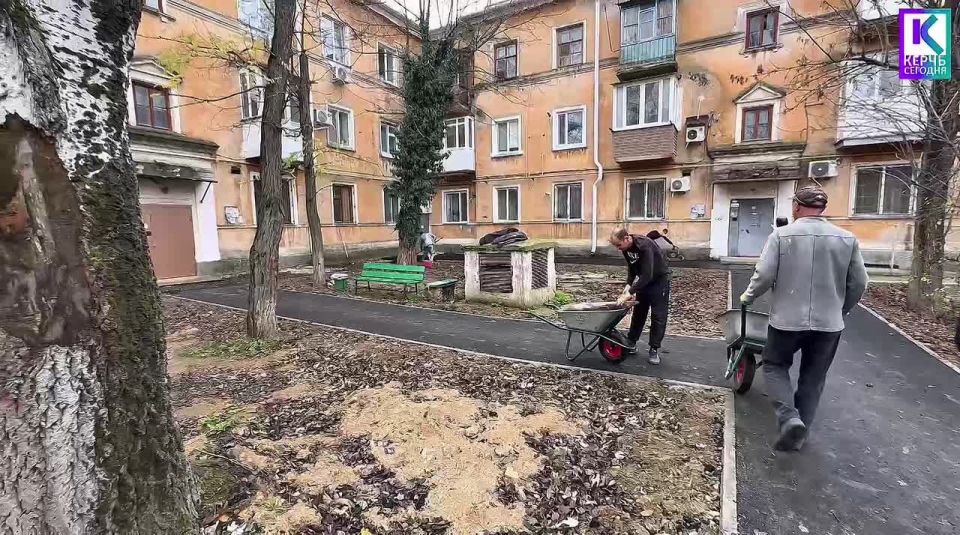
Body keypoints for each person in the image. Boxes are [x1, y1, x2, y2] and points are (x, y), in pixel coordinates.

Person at [740, 186, 868, 451]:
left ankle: (789, 419)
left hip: (786, 321)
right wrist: (840, 309)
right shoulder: (847, 238)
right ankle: (800, 434)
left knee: (775, 365)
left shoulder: (782, 236)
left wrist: (748, 297)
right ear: (822, 208)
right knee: (813, 377)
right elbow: (859, 283)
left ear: (797, 206)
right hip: (829, 325)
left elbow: (764, 274)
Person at [609, 228, 671, 364]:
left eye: (619, 245)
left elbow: (647, 274)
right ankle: (631, 342)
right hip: (644, 281)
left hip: (659, 280)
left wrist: (630, 293)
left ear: (626, 238)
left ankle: (654, 348)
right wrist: (627, 286)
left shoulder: (644, 245)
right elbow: (632, 269)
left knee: (658, 316)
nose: (618, 249)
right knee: (639, 312)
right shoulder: (626, 249)